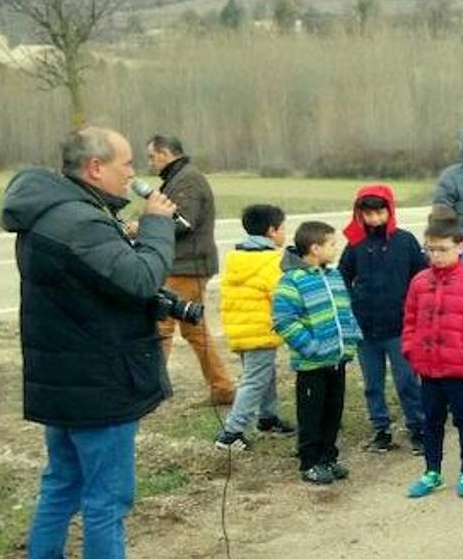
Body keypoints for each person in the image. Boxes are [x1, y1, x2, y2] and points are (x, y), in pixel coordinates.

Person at [3, 127, 182, 559]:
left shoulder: (52, 211)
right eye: (126, 164)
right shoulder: (79, 222)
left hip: (64, 374)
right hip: (98, 379)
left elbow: (95, 282)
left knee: (62, 484)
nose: (133, 173)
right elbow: (141, 279)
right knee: (107, 495)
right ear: (95, 168)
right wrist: (157, 227)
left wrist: (125, 238)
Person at [401, 218, 463, 499]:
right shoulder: (420, 282)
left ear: (460, 247)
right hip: (429, 367)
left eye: (442, 249)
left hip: (462, 369)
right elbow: (409, 318)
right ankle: (432, 471)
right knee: (431, 421)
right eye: (430, 249)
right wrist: (410, 348)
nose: (436, 255)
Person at [338, 185, 427, 455]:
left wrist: (417, 310)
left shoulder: (405, 241)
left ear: (390, 210)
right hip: (366, 327)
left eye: (379, 212)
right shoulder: (355, 244)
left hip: (400, 326)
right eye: (368, 214)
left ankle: (418, 427)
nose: (374, 218)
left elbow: (421, 276)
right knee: (372, 384)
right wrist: (353, 303)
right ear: (360, 214)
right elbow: (342, 276)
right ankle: (381, 429)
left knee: (407, 381)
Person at [272, 221, 362, 485]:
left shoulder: (334, 276)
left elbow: (345, 310)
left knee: (333, 413)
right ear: (315, 248)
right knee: (312, 415)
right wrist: (310, 347)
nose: (336, 248)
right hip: (312, 365)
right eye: (331, 244)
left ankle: (328, 457)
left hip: (337, 360)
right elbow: (284, 321)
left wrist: (353, 335)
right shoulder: (292, 281)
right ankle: (310, 462)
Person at [146, 134, 233, 405]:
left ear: (165, 153)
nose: (150, 163)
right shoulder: (179, 178)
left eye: (152, 156)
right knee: (194, 329)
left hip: (186, 265)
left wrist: (147, 226)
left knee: (162, 325)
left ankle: (150, 390)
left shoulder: (188, 180)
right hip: (184, 264)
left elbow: (184, 222)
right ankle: (222, 388)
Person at [215, 204, 297, 451]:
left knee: (264, 374)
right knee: (254, 380)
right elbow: (281, 296)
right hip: (260, 330)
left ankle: (268, 417)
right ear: (272, 231)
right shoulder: (271, 261)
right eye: (283, 228)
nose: (284, 233)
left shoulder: (237, 258)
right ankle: (231, 433)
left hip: (240, 328)